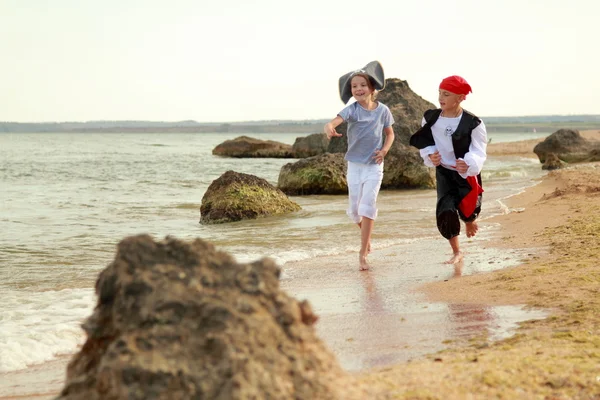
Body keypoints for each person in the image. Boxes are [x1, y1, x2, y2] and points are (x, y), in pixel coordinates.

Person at [324, 61, 395, 271]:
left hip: (374, 165)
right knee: (354, 213)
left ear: (372, 88)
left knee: (367, 207)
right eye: (354, 87)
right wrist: (329, 127)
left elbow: (390, 134)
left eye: (362, 85)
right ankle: (367, 238)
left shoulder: (383, 111)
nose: (358, 89)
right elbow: (334, 121)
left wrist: (384, 151)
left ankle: (363, 252)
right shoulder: (352, 110)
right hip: (354, 165)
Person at [409, 75, 487, 264]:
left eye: (446, 94)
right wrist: (430, 154)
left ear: (460, 98)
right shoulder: (430, 117)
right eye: (439, 93)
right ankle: (457, 251)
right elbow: (427, 141)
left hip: (465, 173)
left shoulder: (474, 123)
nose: (440, 98)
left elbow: (479, 150)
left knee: (468, 207)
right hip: (444, 171)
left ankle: (469, 220)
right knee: (446, 209)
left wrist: (468, 162)